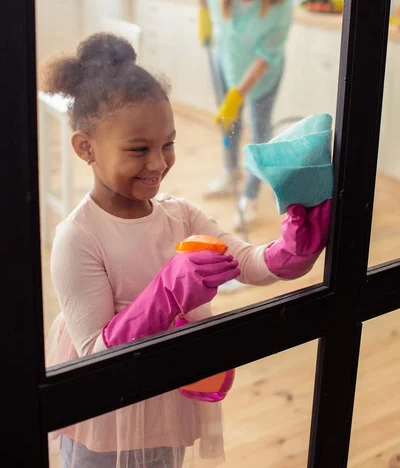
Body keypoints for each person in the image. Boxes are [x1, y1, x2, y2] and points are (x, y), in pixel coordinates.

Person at [42, 33, 330, 468]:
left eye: (168, 144)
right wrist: (167, 293)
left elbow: (246, 262)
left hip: (166, 395)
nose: (159, 163)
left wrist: (291, 249)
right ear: (86, 148)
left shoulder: (180, 215)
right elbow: (97, 358)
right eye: (139, 149)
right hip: (107, 418)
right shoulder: (77, 238)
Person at [191, 0, 293, 229]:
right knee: (230, 123)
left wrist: (237, 96)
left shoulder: (280, 2)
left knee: (259, 132)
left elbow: (266, 56)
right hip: (227, 62)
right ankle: (229, 171)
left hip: (263, 75)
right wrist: (203, 12)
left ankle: (249, 197)